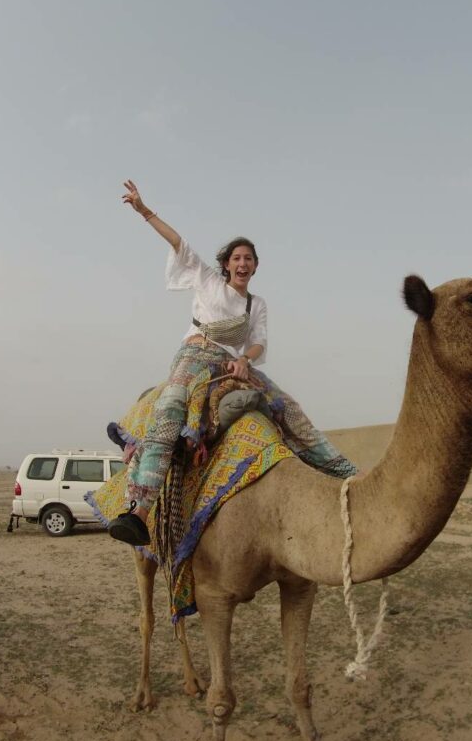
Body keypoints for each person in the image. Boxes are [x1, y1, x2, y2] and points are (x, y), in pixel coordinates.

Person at [106, 180, 356, 545]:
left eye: (248, 259)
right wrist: (144, 210)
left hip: (232, 365)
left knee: (287, 409)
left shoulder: (257, 304)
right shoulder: (208, 281)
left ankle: (349, 475)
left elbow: (258, 342)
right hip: (196, 354)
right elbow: (177, 242)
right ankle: (139, 511)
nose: (243, 263)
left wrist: (244, 360)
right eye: (237, 258)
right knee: (171, 408)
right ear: (226, 264)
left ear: (255, 267)